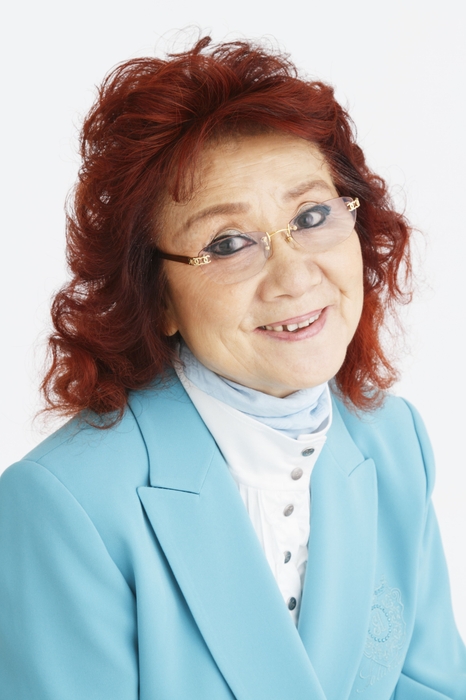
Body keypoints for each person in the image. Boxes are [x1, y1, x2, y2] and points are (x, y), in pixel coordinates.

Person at [0, 35, 464, 700]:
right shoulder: (66, 504)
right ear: (157, 296)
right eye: (227, 244)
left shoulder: (394, 440)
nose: (295, 275)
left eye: (311, 215)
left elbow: (432, 685)